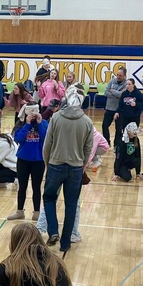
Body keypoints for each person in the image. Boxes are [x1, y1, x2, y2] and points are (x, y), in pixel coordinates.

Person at [40, 95, 94, 251]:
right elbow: (88, 149)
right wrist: (82, 166)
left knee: (49, 198)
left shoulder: (56, 118)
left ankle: (53, 231)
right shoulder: (87, 121)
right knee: (71, 205)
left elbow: (47, 145)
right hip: (76, 168)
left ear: (66, 102)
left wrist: (48, 164)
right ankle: (65, 243)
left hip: (55, 165)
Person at [102, 66, 127, 144]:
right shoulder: (111, 81)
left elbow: (122, 95)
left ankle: (117, 144)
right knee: (104, 126)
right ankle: (106, 142)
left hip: (119, 110)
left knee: (119, 129)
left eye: (120, 75)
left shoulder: (126, 84)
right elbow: (106, 93)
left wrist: (112, 91)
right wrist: (117, 94)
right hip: (109, 108)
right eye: (117, 75)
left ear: (124, 76)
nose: (118, 77)